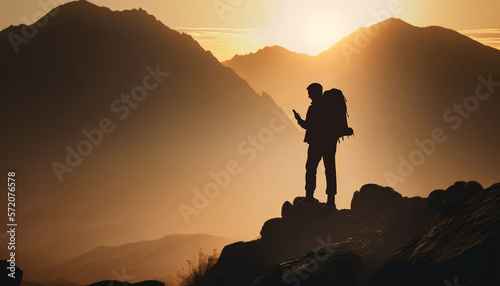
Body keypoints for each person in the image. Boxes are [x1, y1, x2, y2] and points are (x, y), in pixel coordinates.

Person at [293, 83, 342, 207]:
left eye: (310, 93)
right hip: (330, 142)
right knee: (330, 170)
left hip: (316, 143)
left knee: (311, 168)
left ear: (315, 93)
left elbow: (308, 126)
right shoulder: (329, 107)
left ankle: (309, 197)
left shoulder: (314, 108)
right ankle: (331, 200)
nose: (309, 96)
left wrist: (298, 120)